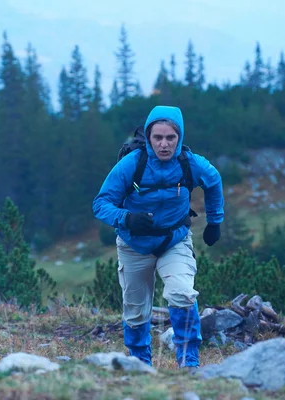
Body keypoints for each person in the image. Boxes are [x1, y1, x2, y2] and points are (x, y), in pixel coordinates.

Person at [92, 105, 224, 369]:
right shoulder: (132, 164)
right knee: (136, 311)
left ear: (180, 137)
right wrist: (126, 218)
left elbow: (214, 181)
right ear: (149, 137)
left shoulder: (191, 164)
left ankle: (189, 364)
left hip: (174, 241)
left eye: (170, 138)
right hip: (134, 245)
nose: (164, 144)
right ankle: (140, 366)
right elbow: (101, 203)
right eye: (158, 138)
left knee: (182, 294)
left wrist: (215, 222)